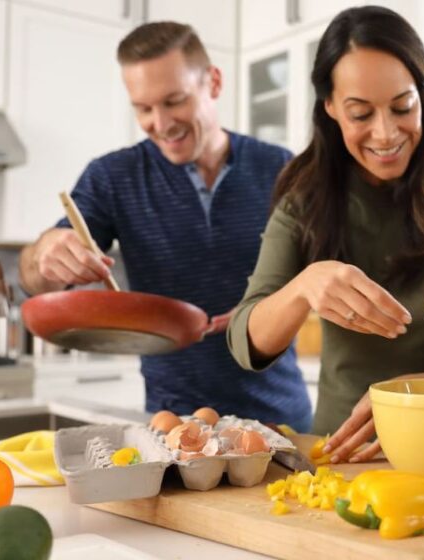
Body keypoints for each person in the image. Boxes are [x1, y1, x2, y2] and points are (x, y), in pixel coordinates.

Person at [228, 6, 424, 462]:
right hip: (344, 452)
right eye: (361, 113)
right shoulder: (303, 203)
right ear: (329, 107)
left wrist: (398, 400)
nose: (385, 134)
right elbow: (247, 343)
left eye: (402, 107)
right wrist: (305, 286)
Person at [19, 21, 311, 432]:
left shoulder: (283, 168)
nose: (160, 122)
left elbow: (325, 271)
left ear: (213, 82)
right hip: (174, 425)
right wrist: (47, 252)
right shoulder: (112, 177)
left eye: (175, 101)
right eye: (143, 108)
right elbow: (36, 280)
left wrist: (278, 304)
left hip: (284, 421)